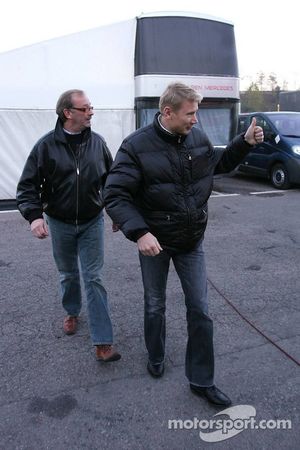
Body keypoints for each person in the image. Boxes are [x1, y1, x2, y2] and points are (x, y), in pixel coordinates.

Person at [104, 82, 263, 405]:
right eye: (190, 113)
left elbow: (218, 164)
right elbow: (115, 194)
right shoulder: (136, 146)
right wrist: (140, 232)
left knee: (201, 311)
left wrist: (243, 143)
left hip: (191, 242)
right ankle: (157, 355)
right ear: (168, 112)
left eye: (197, 113)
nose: (196, 120)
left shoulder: (197, 138)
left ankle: (202, 381)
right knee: (155, 304)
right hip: (155, 243)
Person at [16, 89, 121, 362]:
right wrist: (35, 216)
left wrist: (117, 213)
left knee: (94, 277)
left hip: (91, 221)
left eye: (91, 107)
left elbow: (110, 183)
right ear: (68, 113)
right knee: (68, 274)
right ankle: (72, 311)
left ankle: (103, 343)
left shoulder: (97, 143)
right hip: (60, 222)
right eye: (85, 108)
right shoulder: (45, 146)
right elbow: (27, 186)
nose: (91, 112)